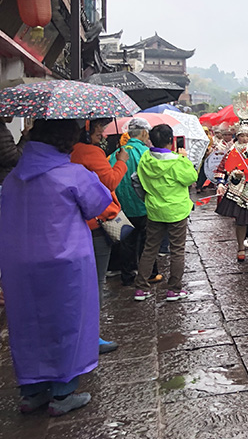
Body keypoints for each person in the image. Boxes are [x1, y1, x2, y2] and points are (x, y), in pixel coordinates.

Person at [0, 119, 112, 415]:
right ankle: (62, 394)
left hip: (18, 263)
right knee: (68, 323)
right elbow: (97, 204)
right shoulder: (72, 174)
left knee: (26, 324)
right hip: (66, 262)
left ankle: (32, 391)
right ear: (66, 141)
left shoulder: (13, 178)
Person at [71, 119, 127, 355]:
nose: (101, 134)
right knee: (96, 281)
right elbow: (110, 181)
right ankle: (90, 336)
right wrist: (121, 162)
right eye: (98, 130)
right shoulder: (89, 152)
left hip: (72, 222)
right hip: (97, 221)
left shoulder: (65, 153)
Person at [133, 124, 198, 302]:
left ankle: (141, 288)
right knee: (177, 250)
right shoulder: (177, 161)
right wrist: (184, 158)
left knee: (150, 248)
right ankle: (174, 289)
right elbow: (192, 177)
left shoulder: (146, 158)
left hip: (154, 210)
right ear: (171, 141)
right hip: (176, 211)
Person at [109, 117, 161, 287]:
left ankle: (127, 275)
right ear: (145, 133)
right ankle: (151, 273)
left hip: (122, 207)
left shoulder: (115, 155)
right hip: (144, 205)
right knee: (149, 242)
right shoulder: (147, 153)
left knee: (126, 242)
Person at [215, 122, 248, 262]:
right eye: (242, 135)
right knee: (241, 221)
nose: (245, 138)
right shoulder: (233, 151)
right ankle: (240, 247)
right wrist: (220, 183)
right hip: (237, 190)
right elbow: (221, 170)